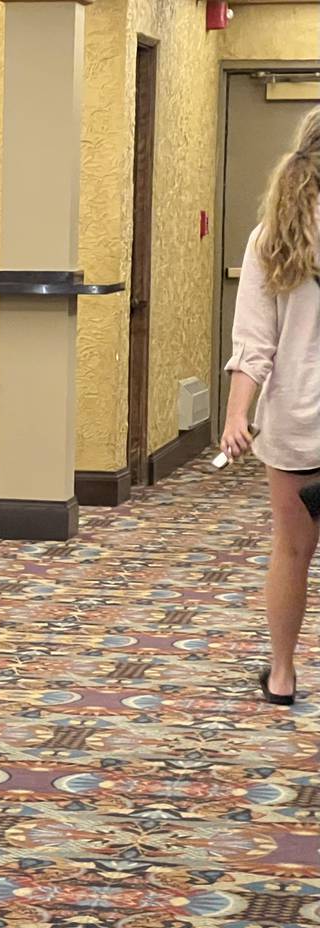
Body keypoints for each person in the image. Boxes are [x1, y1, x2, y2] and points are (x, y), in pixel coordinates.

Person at [220, 105, 320, 707]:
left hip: (299, 422)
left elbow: (254, 343)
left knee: (292, 550)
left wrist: (237, 416)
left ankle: (281, 676)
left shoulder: (274, 236)